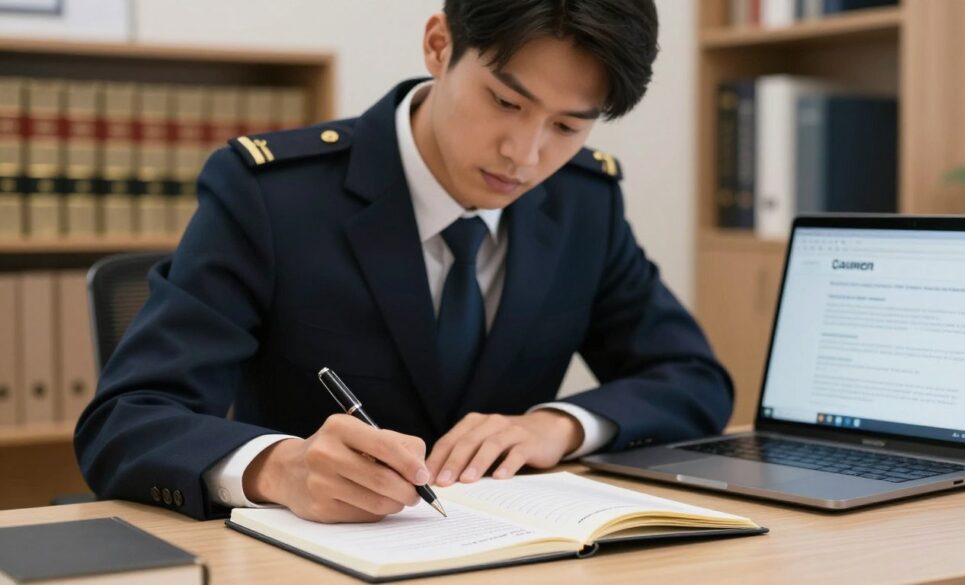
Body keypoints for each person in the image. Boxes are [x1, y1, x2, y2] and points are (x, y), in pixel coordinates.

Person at [74, 0, 733, 523]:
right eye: (507, 102)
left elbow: (692, 378)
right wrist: (278, 468)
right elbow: (127, 418)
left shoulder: (583, 204)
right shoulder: (271, 196)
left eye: (567, 127)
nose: (525, 156)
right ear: (439, 45)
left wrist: (558, 425)